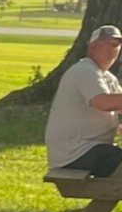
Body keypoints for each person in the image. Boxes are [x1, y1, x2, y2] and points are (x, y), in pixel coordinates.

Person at [43, 22, 122, 178]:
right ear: (92, 47)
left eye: (116, 44)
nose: (111, 48)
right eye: (104, 44)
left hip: (92, 150)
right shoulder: (84, 70)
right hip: (75, 153)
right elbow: (103, 102)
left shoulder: (107, 78)